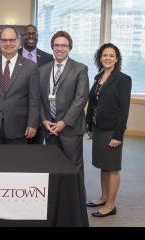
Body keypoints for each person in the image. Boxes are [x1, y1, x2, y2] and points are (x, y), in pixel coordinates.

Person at [39, 31, 89, 197]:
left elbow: (81, 99)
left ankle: (76, 200)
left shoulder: (80, 69)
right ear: (52, 47)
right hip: (50, 127)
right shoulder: (43, 70)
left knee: (73, 166)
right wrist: (44, 119)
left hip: (70, 128)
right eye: (57, 45)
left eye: (63, 45)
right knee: (52, 165)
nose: (60, 48)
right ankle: (56, 198)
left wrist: (63, 122)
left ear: (69, 48)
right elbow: (38, 98)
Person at [85, 43, 131, 217]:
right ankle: (103, 197)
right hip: (99, 128)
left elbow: (124, 110)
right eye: (105, 55)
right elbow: (93, 104)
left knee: (112, 167)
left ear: (116, 59)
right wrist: (90, 126)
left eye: (111, 55)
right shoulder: (98, 77)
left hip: (112, 131)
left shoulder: (122, 79)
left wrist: (118, 135)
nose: (108, 58)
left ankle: (110, 205)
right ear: (100, 57)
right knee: (103, 166)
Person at [0, 27, 40, 144]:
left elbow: (34, 99)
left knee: (17, 161)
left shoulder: (30, 66)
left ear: (18, 42)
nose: (8, 43)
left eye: (12, 40)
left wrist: (32, 124)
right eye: (4, 40)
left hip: (19, 127)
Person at [18, 24, 53, 144]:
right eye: (28, 33)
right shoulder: (13, 55)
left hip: (39, 111)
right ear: (22, 37)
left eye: (34, 34)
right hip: (17, 110)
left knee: (35, 149)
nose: (31, 36)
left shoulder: (48, 58)